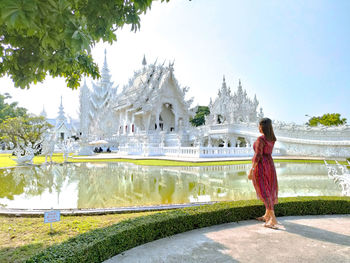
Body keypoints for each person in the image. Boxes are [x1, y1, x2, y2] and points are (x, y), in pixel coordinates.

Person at [248, 118, 279, 229]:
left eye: (259, 125)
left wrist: (252, 170)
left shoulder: (261, 139)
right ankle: (267, 215)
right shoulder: (272, 139)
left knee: (264, 191)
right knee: (269, 189)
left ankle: (273, 219)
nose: (258, 127)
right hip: (270, 165)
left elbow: (258, 156)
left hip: (261, 166)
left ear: (262, 127)